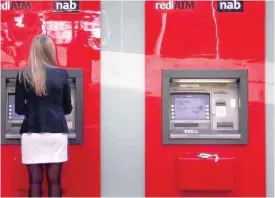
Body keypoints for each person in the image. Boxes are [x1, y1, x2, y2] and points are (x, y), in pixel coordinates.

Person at [15, 34, 72, 197]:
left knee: (34, 181)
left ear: (33, 51)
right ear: (51, 51)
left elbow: (19, 108)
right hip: (56, 132)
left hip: (32, 133)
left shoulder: (23, 75)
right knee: (55, 181)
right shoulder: (62, 75)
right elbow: (67, 108)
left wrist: (33, 111)